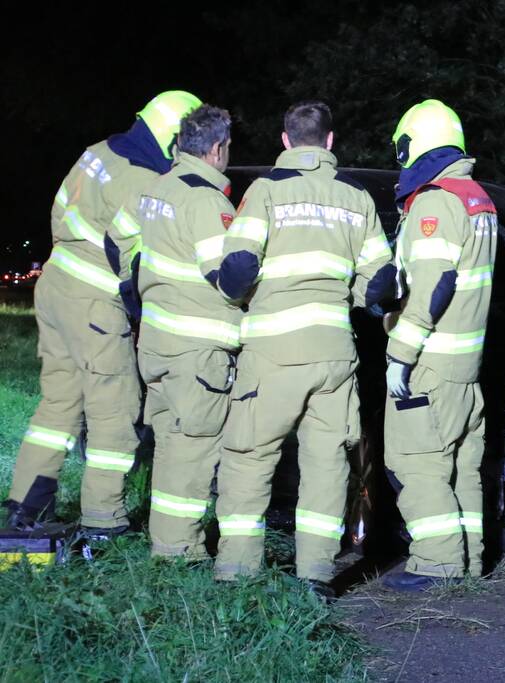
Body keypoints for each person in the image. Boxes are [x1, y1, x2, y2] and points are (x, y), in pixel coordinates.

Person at [213, 101, 394, 596]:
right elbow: (381, 281)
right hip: (334, 353)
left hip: (273, 352)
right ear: (330, 142)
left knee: (250, 457)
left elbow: (237, 271)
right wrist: (352, 296)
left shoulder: (266, 191)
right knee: (327, 464)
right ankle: (314, 577)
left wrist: (243, 298)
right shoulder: (356, 198)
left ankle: (237, 574)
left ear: (286, 140)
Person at [2, 90, 201, 535]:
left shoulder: (98, 153)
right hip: (93, 300)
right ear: (174, 138)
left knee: (59, 404)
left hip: (55, 286)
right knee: (114, 408)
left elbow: (59, 212)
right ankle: (103, 520)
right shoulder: (144, 179)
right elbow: (132, 256)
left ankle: (25, 505)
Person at [108, 105, 240, 559]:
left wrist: (138, 297)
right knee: (194, 450)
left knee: (169, 446)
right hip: (197, 353)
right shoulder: (206, 201)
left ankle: (165, 544)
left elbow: (117, 242)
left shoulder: (153, 190)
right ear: (218, 149)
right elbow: (227, 278)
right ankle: (179, 552)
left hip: (157, 345)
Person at [382, 99, 497, 591]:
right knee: (461, 470)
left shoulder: (435, 202)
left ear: (415, 145)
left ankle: (437, 564)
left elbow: (433, 286)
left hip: (431, 362)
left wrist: (399, 355)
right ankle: (469, 562)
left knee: (416, 463)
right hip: (467, 368)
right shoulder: (478, 199)